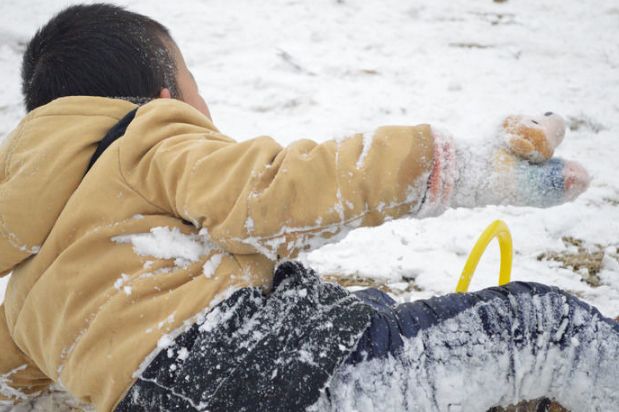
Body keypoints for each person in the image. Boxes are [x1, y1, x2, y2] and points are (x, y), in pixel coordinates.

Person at [0, 3, 615, 412]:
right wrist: (457, 167)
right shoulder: (149, 138)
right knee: (538, 325)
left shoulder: (24, 282)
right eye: (196, 88)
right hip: (266, 374)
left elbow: (17, 377)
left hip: (172, 395)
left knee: (365, 307)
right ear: (165, 97)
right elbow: (275, 193)